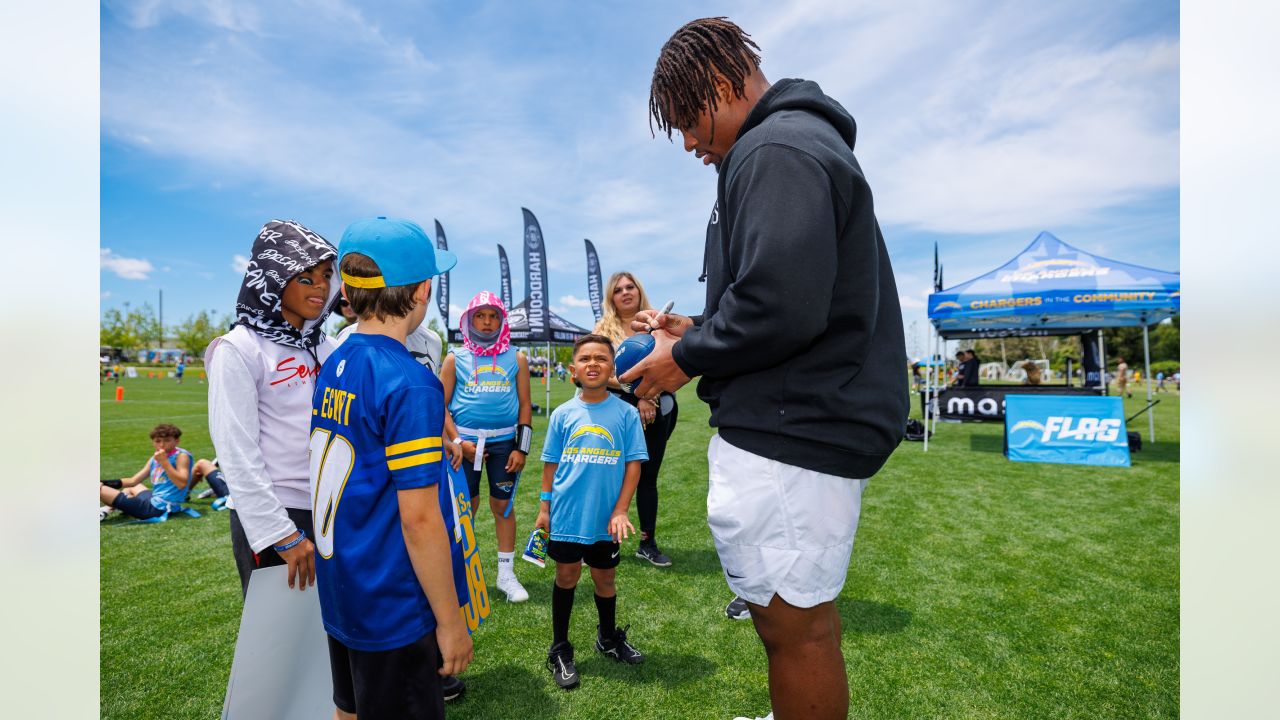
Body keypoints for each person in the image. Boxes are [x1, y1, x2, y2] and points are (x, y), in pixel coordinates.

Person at [634, 18, 908, 720]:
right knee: (797, 623)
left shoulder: (775, 147)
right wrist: (696, 328)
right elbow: (790, 297)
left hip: (794, 429)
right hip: (797, 418)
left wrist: (683, 359)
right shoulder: (783, 146)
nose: (692, 146)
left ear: (724, 84)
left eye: (690, 123)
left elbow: (782, 305)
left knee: (797, 634)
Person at [311, 216, 471, 720]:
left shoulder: (335, 360)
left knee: (349, 708)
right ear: (423, 290)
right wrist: (450, 621)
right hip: (393, 599)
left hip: (345, 584)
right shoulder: (409, 380)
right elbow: (419, 518)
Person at [205, 220, 338, 596]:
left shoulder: (327, 347)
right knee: (284, 648)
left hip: (331, 510)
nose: (322, 287)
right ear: (273, 279)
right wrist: (282, 535)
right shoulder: (238, 349)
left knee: (333, 643)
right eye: (306, 278)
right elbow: (235, 452)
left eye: (326, 275)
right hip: (280, 517)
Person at [538, 334, 649, 690]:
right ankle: (559, 648)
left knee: (605, 579)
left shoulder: (626, 413)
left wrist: (621, 509)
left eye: (601, 358)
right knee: (567, 575)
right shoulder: (563, 414)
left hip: (606, 519)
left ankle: (608, 638)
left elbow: (634, 464)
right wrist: (544, 508)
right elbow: (550, 464)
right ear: (573, 369)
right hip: (568, 515)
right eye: (585, 358)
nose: (593, 363)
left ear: (613, 369)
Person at [441, 291, 534, 603]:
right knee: (465, 508)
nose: (487, 321)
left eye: (493, 316)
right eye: (480, 315)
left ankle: (505, 574)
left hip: (503, 444)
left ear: (502, 320)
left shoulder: (516, 357)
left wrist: (521, 449)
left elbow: (524, 406)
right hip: (462, 445)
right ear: (469, 319)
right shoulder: (455, 358)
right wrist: (456, 442)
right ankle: (461, 570)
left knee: (503, 507)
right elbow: (439, 407)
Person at [593, 271, 679, 567]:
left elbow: (672, 367)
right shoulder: (603, 329)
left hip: (658, 405)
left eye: (631, 287)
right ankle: (601, 540)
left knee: (648, 476)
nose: (626, 292)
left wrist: (650, 397)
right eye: (619, 290)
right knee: (611, 475)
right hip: (619, 409)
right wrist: (640, 393)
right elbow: (600, 373)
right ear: (611, 298)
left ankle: (647, 542)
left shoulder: (658, 325)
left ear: (639, 291)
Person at [98, 423, 193, 522]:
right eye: (157, 441)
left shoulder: (181, 456)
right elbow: (133, 481)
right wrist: (104, 482)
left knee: (99, 490)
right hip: (154, 500)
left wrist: (164, 462)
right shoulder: (155, 458)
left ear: (177, 441)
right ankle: (107, 510)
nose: (162, 445)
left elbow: (182, 484)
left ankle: (103, 510)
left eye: (167, 441)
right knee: (133, 486)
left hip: (157, 509)